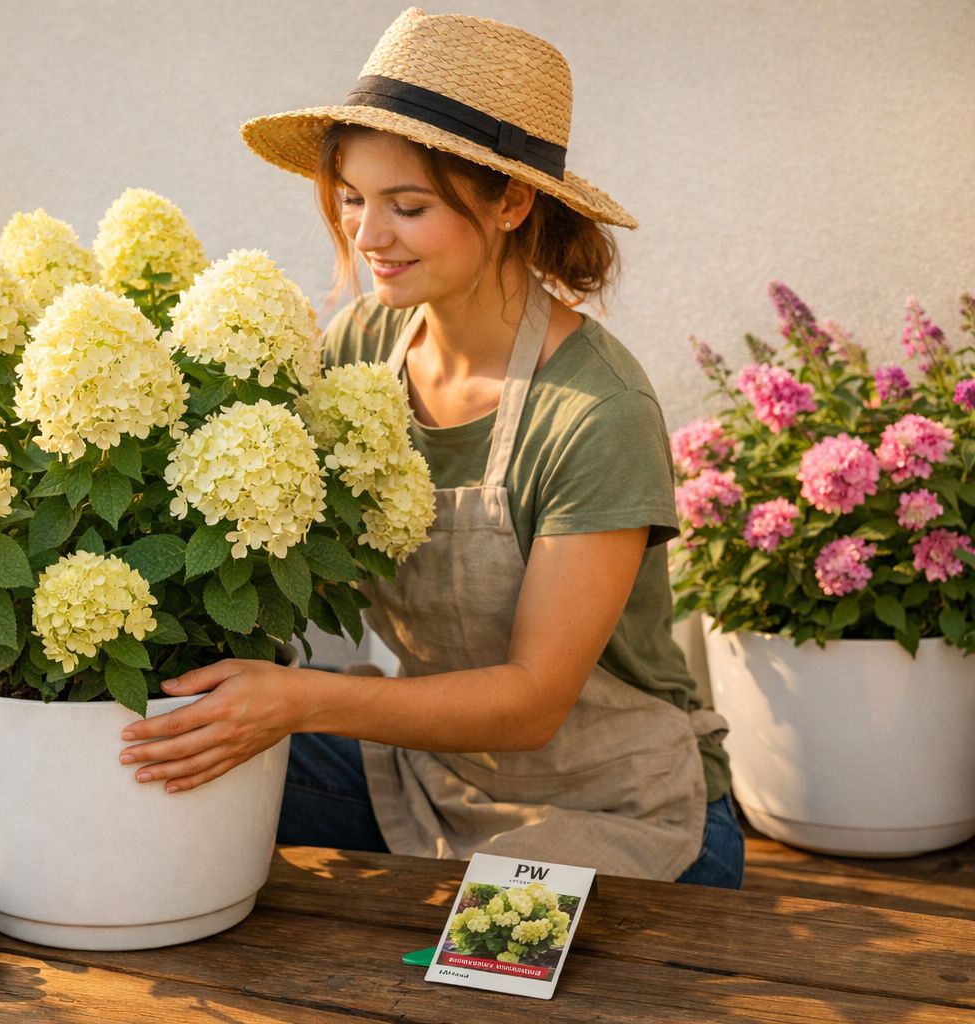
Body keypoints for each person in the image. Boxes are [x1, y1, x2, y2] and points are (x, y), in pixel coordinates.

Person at [118, 8, 742, 887]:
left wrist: (296, 702)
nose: (369, 237)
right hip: (420, 778)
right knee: (140, 772)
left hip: (613, 810)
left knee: (471, 994)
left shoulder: (596, 411)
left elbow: (531, 703)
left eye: (407, 206)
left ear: (512, 202)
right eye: (352, 201)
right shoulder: (364, 345)